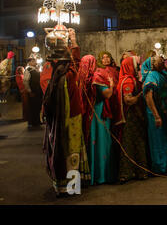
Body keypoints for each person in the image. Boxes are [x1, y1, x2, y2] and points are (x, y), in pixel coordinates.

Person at [42, 29, 90, 196]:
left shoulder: (57, 72)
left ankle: (64, 186)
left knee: (62, 150)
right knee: (70, 150)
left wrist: (72, 39)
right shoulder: (67, 73)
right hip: (68, 118)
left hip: (59, 119)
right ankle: (70, 188)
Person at [116, 55, 149, 183]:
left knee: (132, 143)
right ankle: (136, 172)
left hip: (132, 116)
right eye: (136, 65)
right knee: (134, 143)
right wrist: (142, 93)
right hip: (131, 116)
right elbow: (129, 100)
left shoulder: (126, 78)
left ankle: (133, 172)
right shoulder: (129, 81)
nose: (138, 67)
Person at [88, 51, 119, 185]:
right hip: (100, 110)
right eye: (102, 57)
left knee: (102, 140)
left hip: (103, 109)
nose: (105, 59)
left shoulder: (112, 71)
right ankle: (102, 175)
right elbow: (106, 94)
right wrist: (111, 85)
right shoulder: (99, 74)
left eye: (108, 56)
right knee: (102, 141)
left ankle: (101, 173)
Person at [23, 57, 43, 129]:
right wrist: (29, 91)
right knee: (32, 107)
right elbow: (25, 81)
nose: (35, 62)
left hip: (38, 91)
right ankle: (32, 122)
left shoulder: (35, 69)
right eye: (33, 61)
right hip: (33, 91)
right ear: (30, 62)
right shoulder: (28, 70)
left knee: (38, 106)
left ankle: (37, 121)